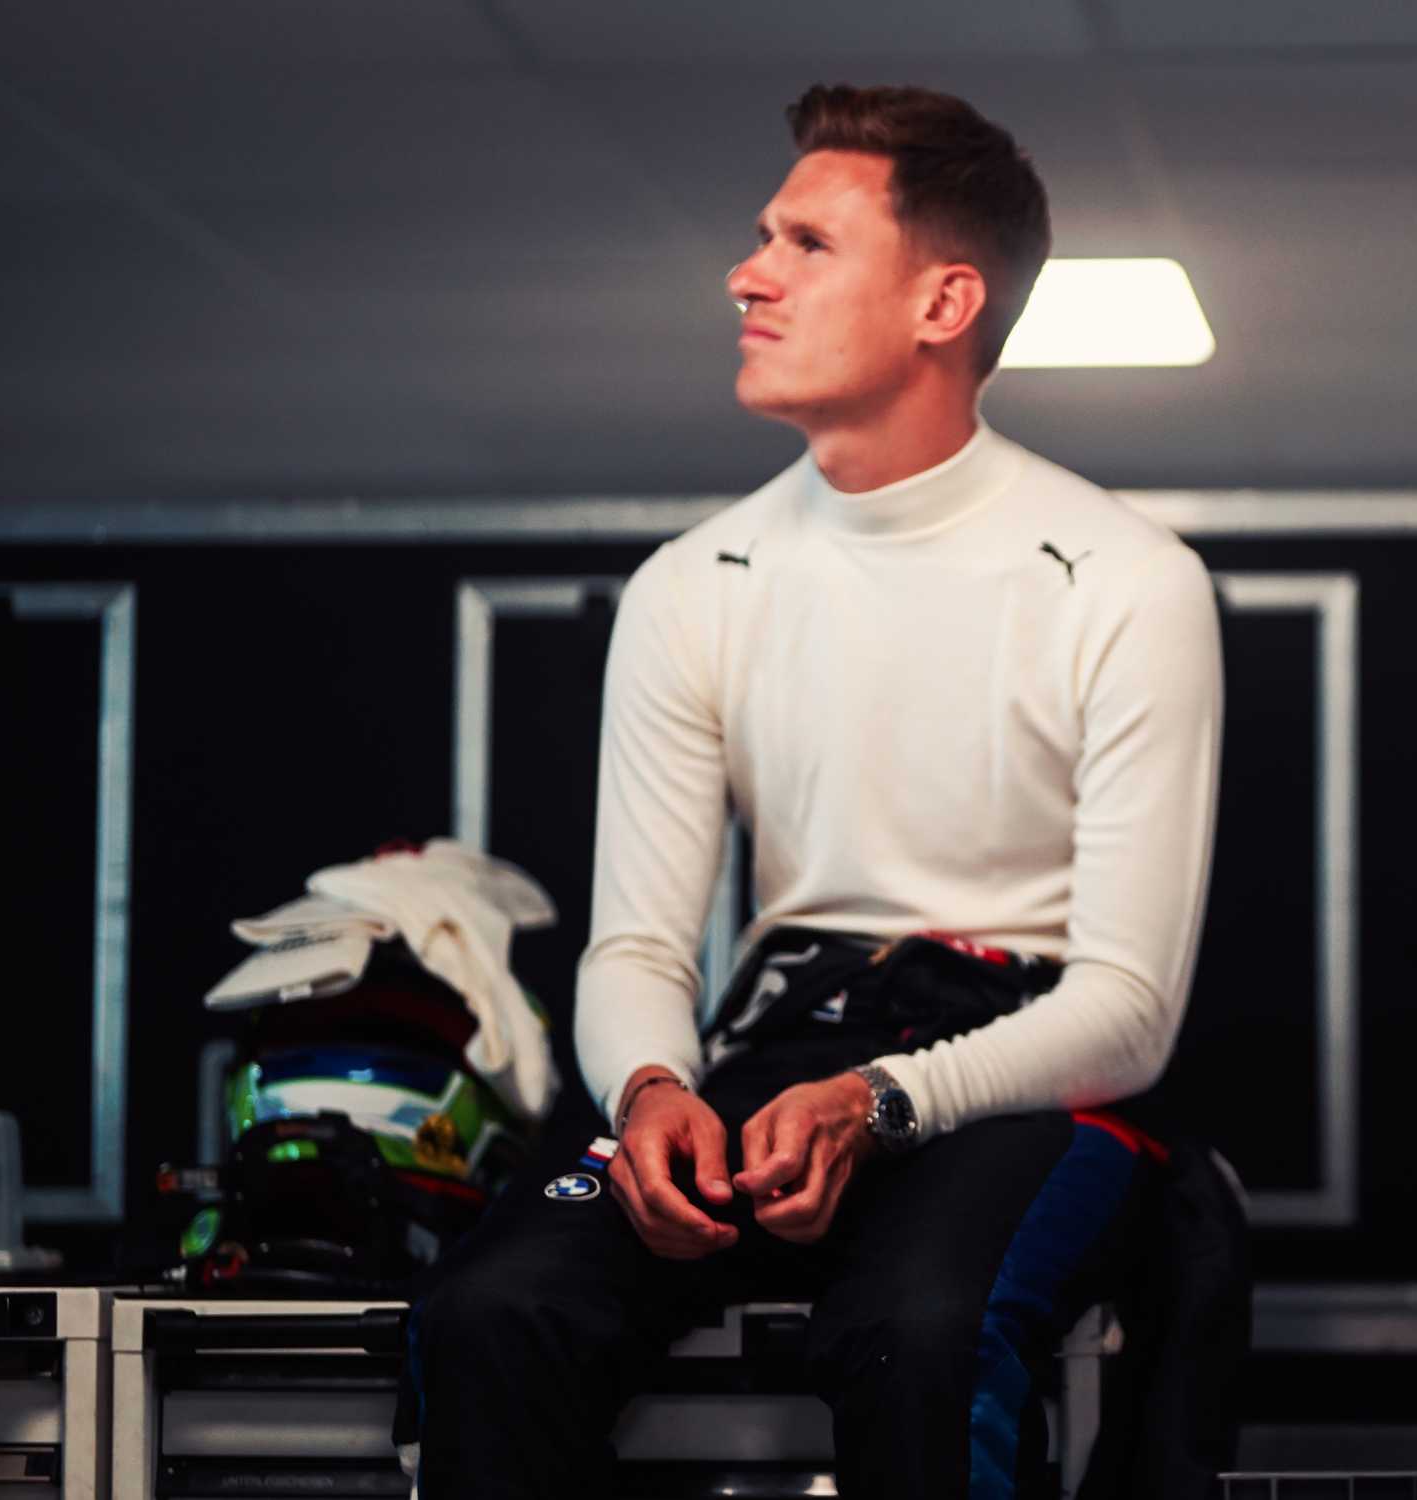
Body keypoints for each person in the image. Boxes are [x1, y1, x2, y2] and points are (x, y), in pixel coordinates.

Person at [407, 84, 1225, 1500]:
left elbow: (1129, 1009)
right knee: (489, 1312)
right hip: (779, 1044)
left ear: (942, 302)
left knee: (921, 1338)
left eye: (806, 243)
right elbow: (639, 948)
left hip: (1012, 1070)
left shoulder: (1127, 578)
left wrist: (882, 1101)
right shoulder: (692, 585)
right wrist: (651, 1087)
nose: (748, 274)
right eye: (761, 238)